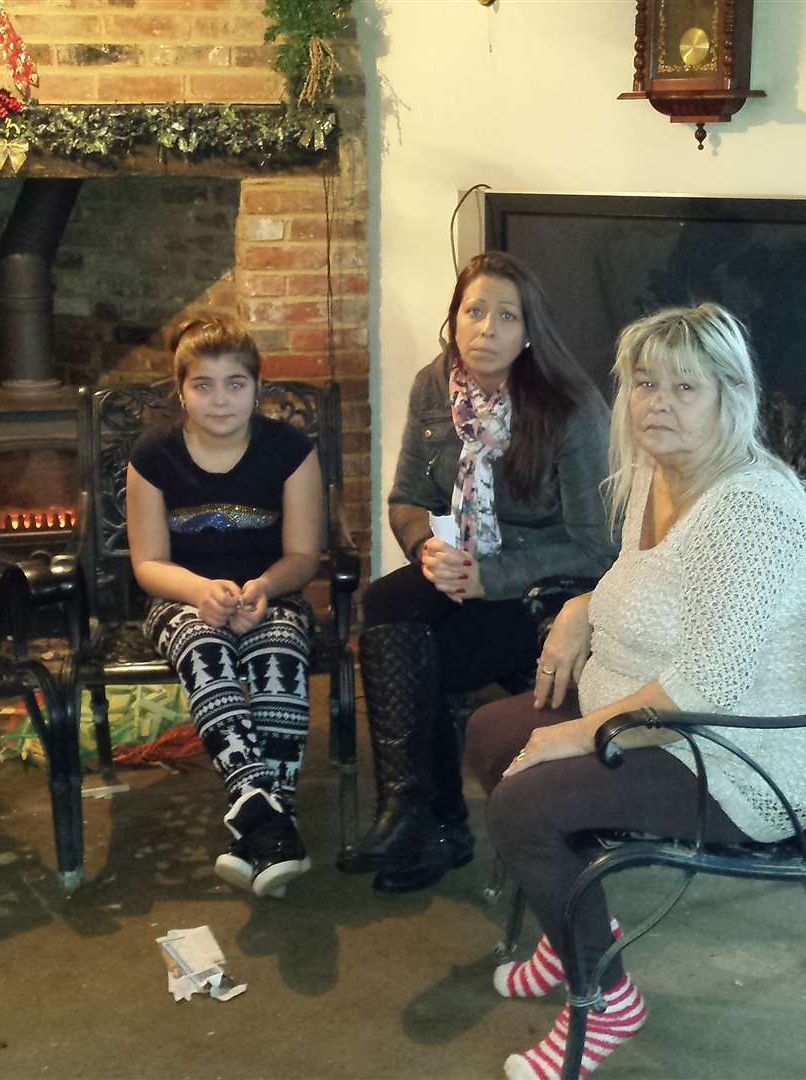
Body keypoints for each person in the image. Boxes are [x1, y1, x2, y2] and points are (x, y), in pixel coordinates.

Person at [463, 304, 806, 1080]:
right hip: (665, 713)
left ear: (731, 396)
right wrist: (579, 611)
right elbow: (643, 583)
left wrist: (569, 735)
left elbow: (707, 685)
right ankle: (575, 930)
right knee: (488, 734)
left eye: (686, 386)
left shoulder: (751, 510)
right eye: (645, 384)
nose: (658, 404)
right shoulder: (657, 471)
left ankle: (606, 1000)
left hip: (749, 754)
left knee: (524, 803)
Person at [342, 252, 618, 894]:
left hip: (543, 594)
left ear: (528, 333)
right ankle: (409, 808)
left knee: (421, 653)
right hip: (462, 563)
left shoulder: (570, 406)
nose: (487, 328)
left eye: (506, 315)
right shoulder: (432, 387)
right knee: (386, 604)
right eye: (475, 311)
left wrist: (491, 578)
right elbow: (406, 497)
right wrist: (424, 550)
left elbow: (596, 547)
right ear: (454, 319)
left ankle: (436, 824)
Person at [127, 316, 325, 898]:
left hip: (271, 595)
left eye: (235, 383)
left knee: (279, 647)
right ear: (180, 390)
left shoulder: (288, 450)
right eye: (204, 385)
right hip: (180, 601)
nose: (220, 399)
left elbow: (303, 554)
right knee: (202, 642)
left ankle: (258, 832)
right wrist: (198, 591)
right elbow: (148, 565)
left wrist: (263, 587)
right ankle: (270, 823)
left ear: (256, 389)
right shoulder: (154, 456)